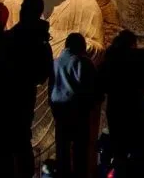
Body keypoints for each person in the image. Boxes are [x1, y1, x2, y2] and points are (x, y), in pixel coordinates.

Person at [0, 0, 54, 177]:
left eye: (24, 7)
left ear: (31, 11)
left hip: (12, 94)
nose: (21, 10)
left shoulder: (28, 36)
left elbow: (0, 45)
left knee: (13, 141)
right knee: (19, 140)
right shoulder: (37, 37)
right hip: (22, 93)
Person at [98, 30, 144, 176]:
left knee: (119, 154)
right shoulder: (139, 60)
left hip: (116, 110)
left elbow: (101, 84)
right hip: (136, 109)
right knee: (138, 152)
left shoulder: (110, 60)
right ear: (133, 44)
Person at [50, 32, 97, 178]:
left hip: (60, 112)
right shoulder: (84, 63)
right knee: (80, 153)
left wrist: (53, 108)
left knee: (62, 151)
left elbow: (51, 89)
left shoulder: (55, 63)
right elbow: (92, 89)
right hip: (79, 113)